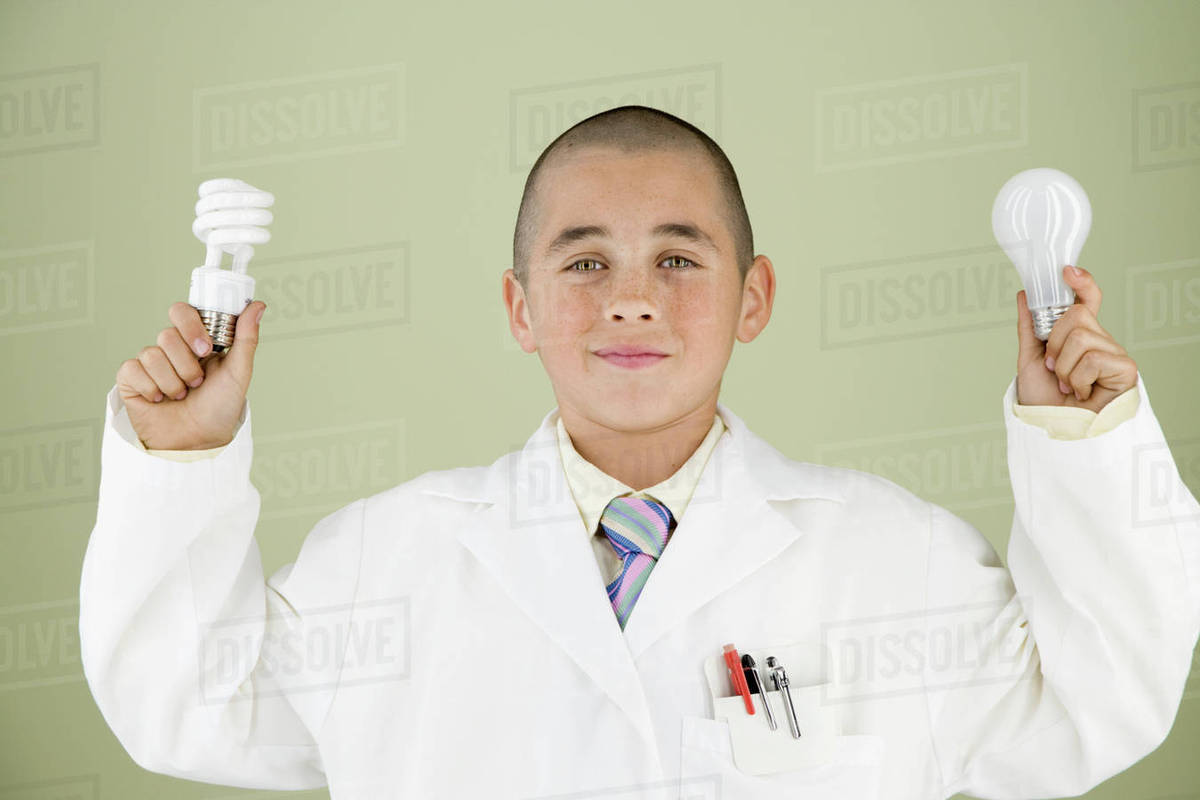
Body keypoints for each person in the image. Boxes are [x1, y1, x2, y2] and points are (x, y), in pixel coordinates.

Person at [79, 105, 1200, 799]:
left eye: (678, 258)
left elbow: (1097, 701)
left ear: (752, 295)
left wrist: (1082, 439)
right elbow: (184, 700)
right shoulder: (385, 560)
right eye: (581, 263)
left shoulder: (889, 559)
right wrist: (181, 462)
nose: (629, 302)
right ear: (519, 308)